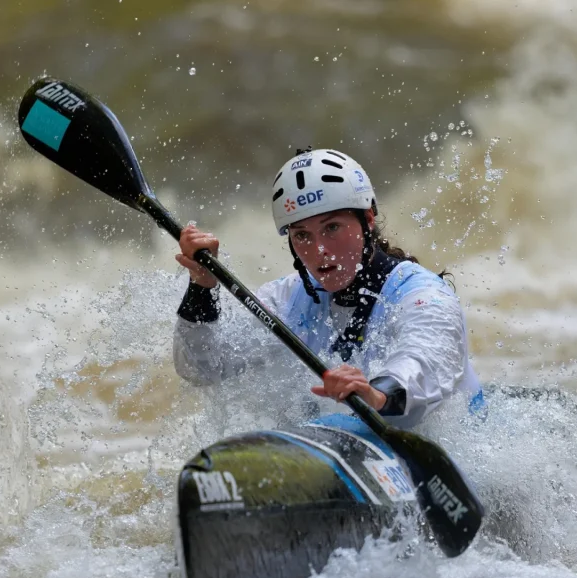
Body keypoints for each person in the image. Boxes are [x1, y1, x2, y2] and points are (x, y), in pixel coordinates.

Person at [172, 148, 481, 429]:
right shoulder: (287, 299)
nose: (319, 249)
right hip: (340, 443)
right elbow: (203, 368)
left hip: (454, 453)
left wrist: (374, 394)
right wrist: (202, 285)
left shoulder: (424, 295)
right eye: (303, 235)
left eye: (332, 228)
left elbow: (422, 364)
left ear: (368, 219)